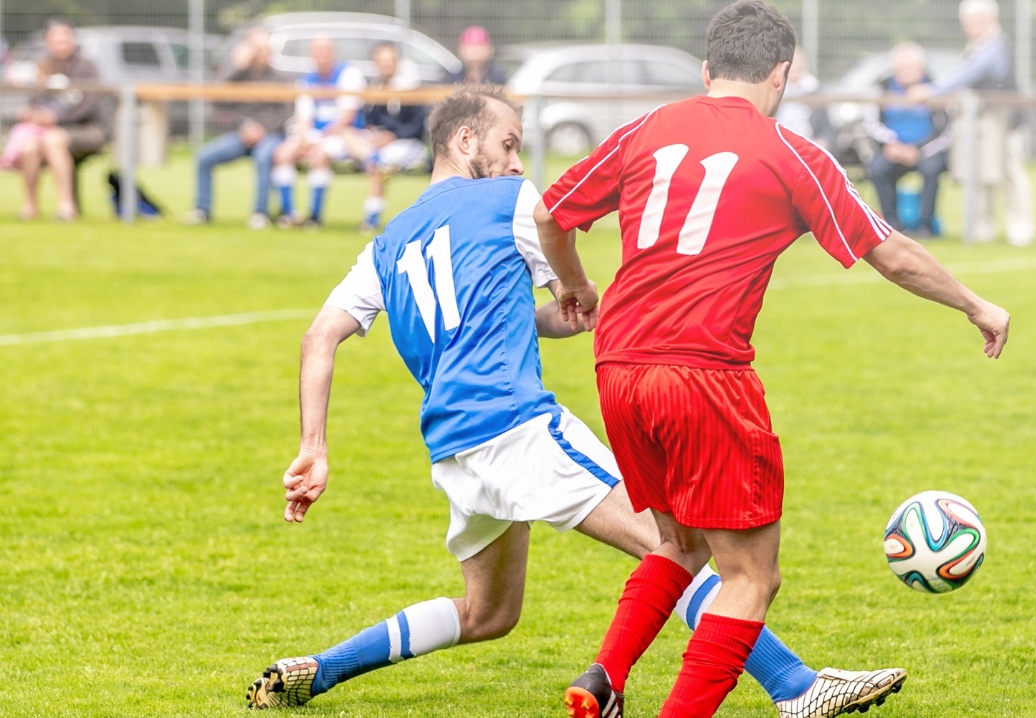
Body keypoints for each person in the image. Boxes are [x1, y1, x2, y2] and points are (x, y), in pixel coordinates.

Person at [246, 88, 904, 718]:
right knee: (671, 544)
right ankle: (795, 686)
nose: (515, 161)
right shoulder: (507, 200)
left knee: (489, 614)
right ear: (464, 138)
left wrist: (313, 447)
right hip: (516, 427)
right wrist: (581, 290)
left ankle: (321, 668)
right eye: (507, 144)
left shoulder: (386, 244)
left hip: (452, 448)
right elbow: (559, 240)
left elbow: (320, 337)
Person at [535, 0, 1011, 718]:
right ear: (782, 75)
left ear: (706, 69)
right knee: (751, 576)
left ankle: (603, 678)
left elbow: (551, 212)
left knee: (678, 543)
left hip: (619, 368)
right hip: (703, 374)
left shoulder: (647, 127)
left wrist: (572, 284)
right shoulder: (790, 153)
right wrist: (977, 304)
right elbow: (891, 252)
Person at [908, 0, 1033, 246]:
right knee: (980, 175)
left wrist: (932, 91)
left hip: (1005, 122)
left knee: (1011, 175)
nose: (968, 25)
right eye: (966, 20)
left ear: (990, 19)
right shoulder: (976, 45)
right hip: (981, 121)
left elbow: (969, 73)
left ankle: (1020, 230)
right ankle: (981, 229)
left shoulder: (994, 46)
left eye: (974, 19)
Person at [185, 29, 290, 228]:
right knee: (203, 157)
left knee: (263, 157)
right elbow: (214, 94)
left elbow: (286, 112)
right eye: (256, 49)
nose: (262, 53)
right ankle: (202, 210)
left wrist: (262, 130)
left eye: (265, 48)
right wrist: (237, 65)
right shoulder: (239, 75)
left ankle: (260, 213)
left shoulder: (280, 78)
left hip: (271, 135)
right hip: (243, 134)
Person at [8, 20, 110, 222]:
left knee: (53, 140)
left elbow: (90, 104)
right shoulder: (43, 66)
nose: (61, 44)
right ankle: (30, 206)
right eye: (56, 40)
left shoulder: (87, 66)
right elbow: (35, 100)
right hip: (46, 131)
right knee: (28, 146)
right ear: (48, 42)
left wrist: (56, 118)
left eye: (65, 39)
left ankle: (66, 206)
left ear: (73, 40)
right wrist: (33, 114)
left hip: (86, 128)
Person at [271, 36, 367, 228]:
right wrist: (305, 138)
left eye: (325, 53)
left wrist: (318, 140)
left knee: (319, 155)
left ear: (333, 53)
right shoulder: (307, 80)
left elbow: (346, 117)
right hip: (315, 136)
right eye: (317, 54)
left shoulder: (349, 75)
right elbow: (304, 117)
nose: (321, 58)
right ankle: (289, 214)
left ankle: (314, 217)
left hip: (345, 135)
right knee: (282, 153)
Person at [340, 42, 428, 234]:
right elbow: (369, 120)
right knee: (346, 134)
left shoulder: (411, 88)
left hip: (406, 143)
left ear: (397, 62)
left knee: (379, 164)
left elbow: (417, 127)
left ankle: (371, 219)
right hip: (376, 143)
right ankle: (371, 157)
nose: (386, 66)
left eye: (390, 61)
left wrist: (392, 136)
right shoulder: (375, 88)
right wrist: (375, 134)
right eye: (381, 62)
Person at [865, 42, 952, 235]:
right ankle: (892, 226)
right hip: (893, 149)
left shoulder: (936, 88)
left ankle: (925, 225)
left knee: (932, 169)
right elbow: (872, 124)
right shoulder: (882, 88)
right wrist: (892, 144)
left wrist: (918, 150)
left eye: (909, 68)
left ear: (921, 68)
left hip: (927, 151)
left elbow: (944, 131)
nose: (904, 72)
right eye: (900, 68)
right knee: (877, 169)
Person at [774, 47, 821, 141]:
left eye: (799, 65)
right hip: (780, 140)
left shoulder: (813, 88)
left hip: (807, 140)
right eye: (793, 65)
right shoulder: (775, 88)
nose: (796, 68)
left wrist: (823, 140)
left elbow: (825, 127)